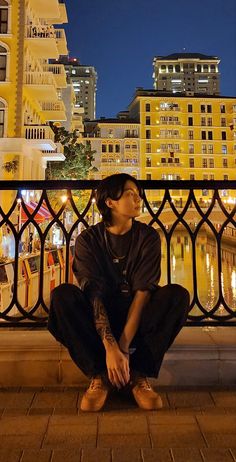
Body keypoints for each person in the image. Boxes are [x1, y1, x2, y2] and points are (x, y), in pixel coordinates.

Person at [48, 173, 190, 412]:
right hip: (99, 317)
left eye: (138, 194)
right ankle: (100, 376)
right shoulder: (88, 240)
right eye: (129, 194)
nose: (138, 199)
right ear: (109, 202)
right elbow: (93, 295)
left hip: (135, 314)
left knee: (177, 296)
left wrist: (121, 348)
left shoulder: (148, 237)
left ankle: (137, 375)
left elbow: (143, 293)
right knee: (62, 296)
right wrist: (110, 348)